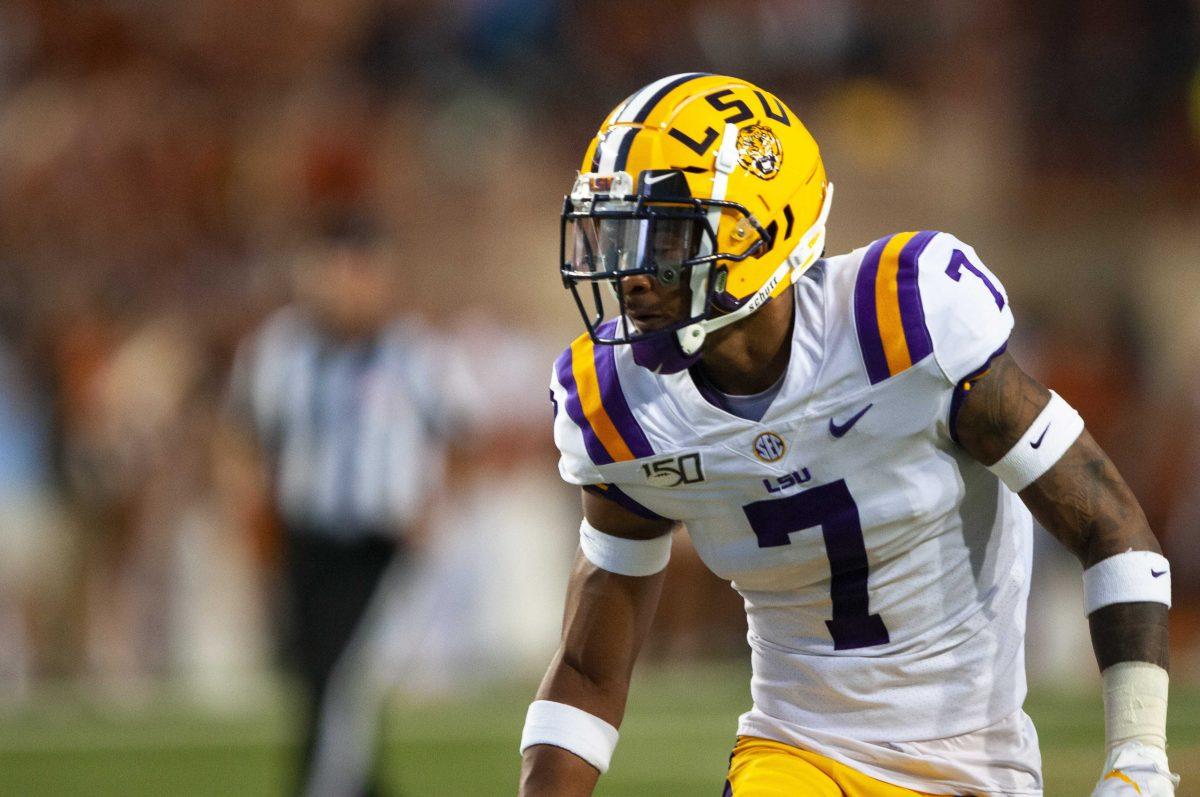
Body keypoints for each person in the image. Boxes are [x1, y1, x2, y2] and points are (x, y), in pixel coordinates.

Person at [518, 74, 1178, 797]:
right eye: (618, 235)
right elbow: (587, 668)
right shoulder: (622, 402)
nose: (631, 277)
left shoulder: (902, 321)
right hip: (795, 751)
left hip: (976, 762)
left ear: (760, 228)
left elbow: (1112, 526)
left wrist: (1138, 756)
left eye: (664, 235)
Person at [227, 212, 456, 796]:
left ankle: (319, 786)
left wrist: (431, 509)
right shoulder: (281, 349)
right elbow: (245, 436)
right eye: (335, 271)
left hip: (378, 544)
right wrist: (251, 518)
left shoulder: (411, 351)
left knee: (344, 680)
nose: (348, 286)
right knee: (313, 681)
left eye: (362, 272)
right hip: (305, 539)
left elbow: (456, 434)